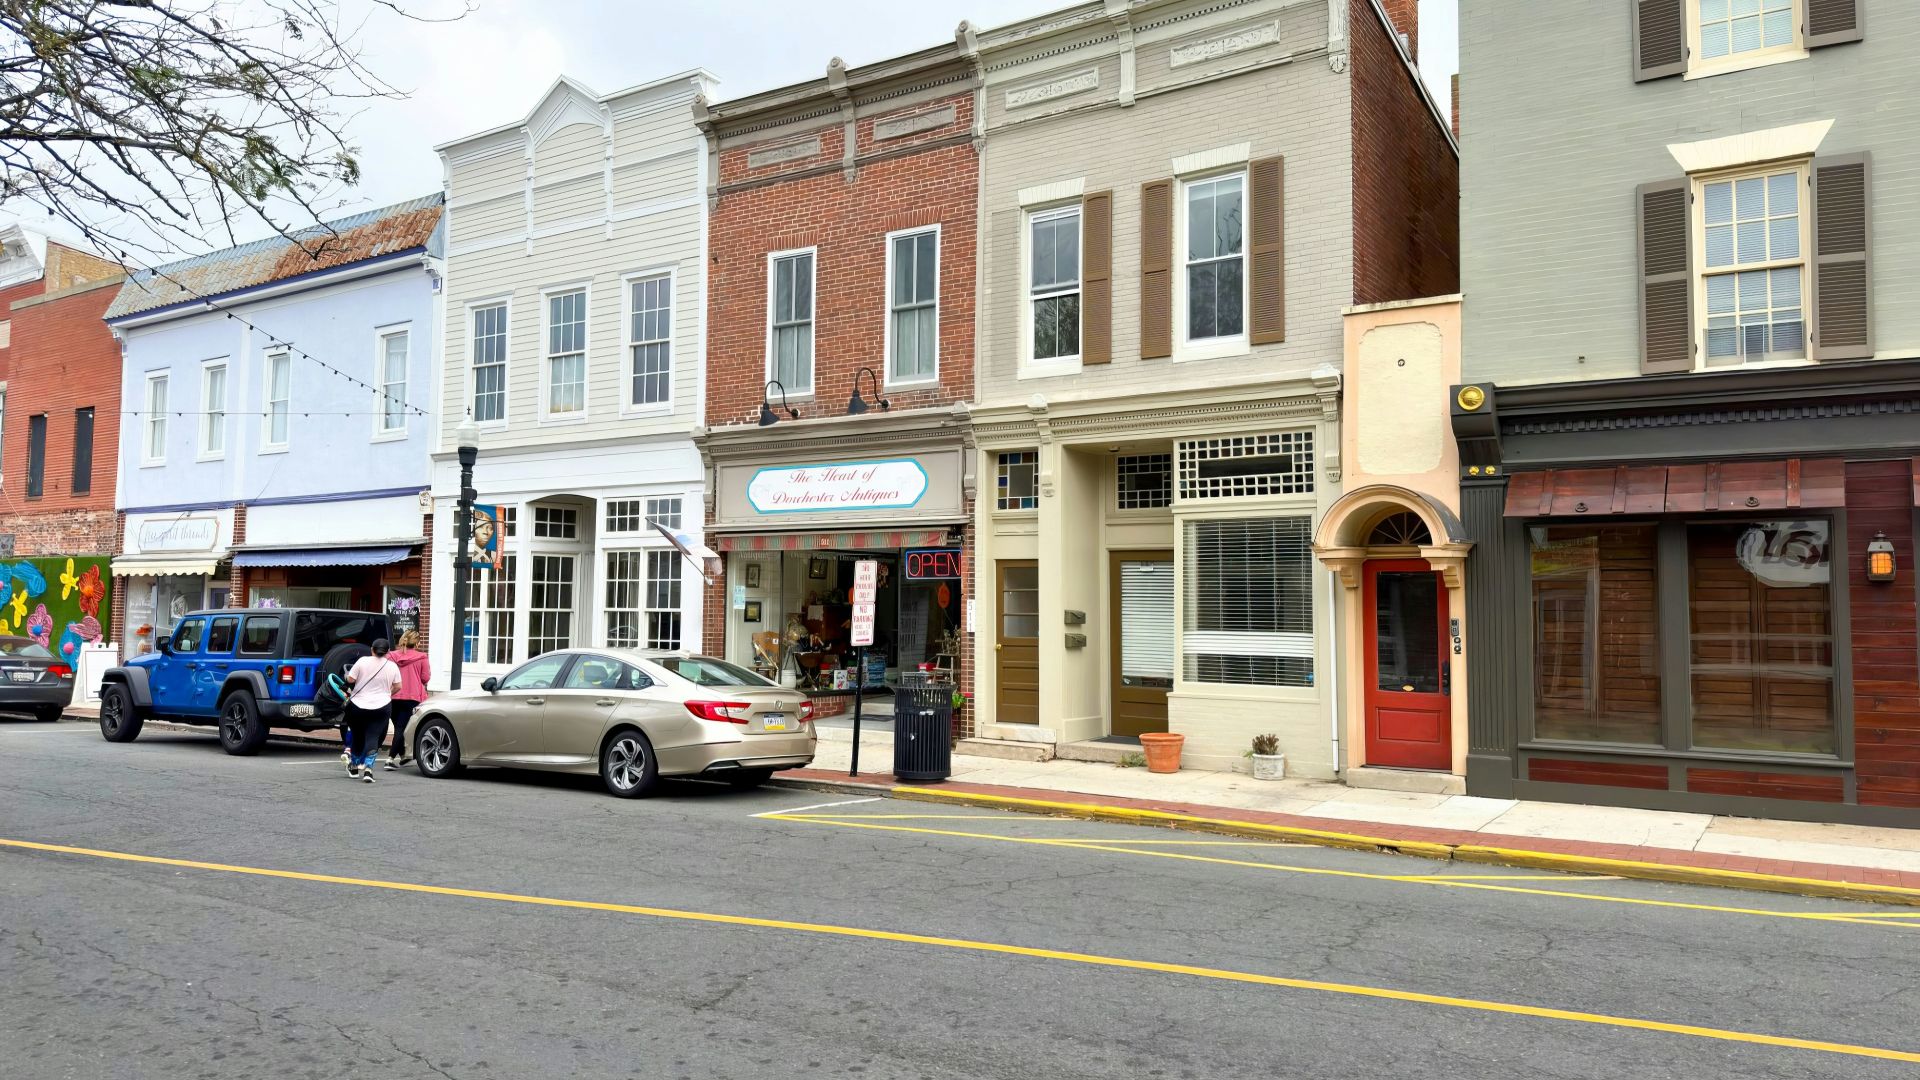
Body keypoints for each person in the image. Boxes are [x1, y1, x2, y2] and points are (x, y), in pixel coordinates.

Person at [343, 639, 402, 783]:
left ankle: (354, 767)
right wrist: (387, 694)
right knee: (373, 736)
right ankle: (368, 770)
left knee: (357, 735)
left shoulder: (362, 661)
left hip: (358, 705)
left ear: (372, 649)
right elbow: (398, 686)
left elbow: (350, 680)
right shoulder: (392, 666)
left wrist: (346, 676)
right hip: (382, 706)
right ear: (388, 652)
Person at [384, 630, 432, 771]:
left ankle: (404, 755)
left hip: (392, 695)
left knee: (399, 727)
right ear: (417, 643)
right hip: (412, 697)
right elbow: (425, 678)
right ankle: (390, 759)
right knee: (401, 728)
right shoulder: (422, 657)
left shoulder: (390, 656)